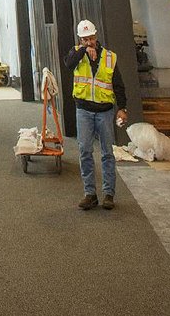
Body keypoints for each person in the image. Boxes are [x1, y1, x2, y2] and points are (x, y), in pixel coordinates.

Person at [64, 19, 127, 210]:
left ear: (96, 36)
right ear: (80, 39)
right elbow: (69, 65)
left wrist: (122, 108)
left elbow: (118, 84)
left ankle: (109, 194)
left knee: (107, 152)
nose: (88, 42)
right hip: (83, 110)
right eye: (84, 39)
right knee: (85, 152)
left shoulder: (109, 57)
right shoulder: (76, 53)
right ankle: (90, 194)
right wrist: (83, 50)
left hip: (104, 111)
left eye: (90, 38)